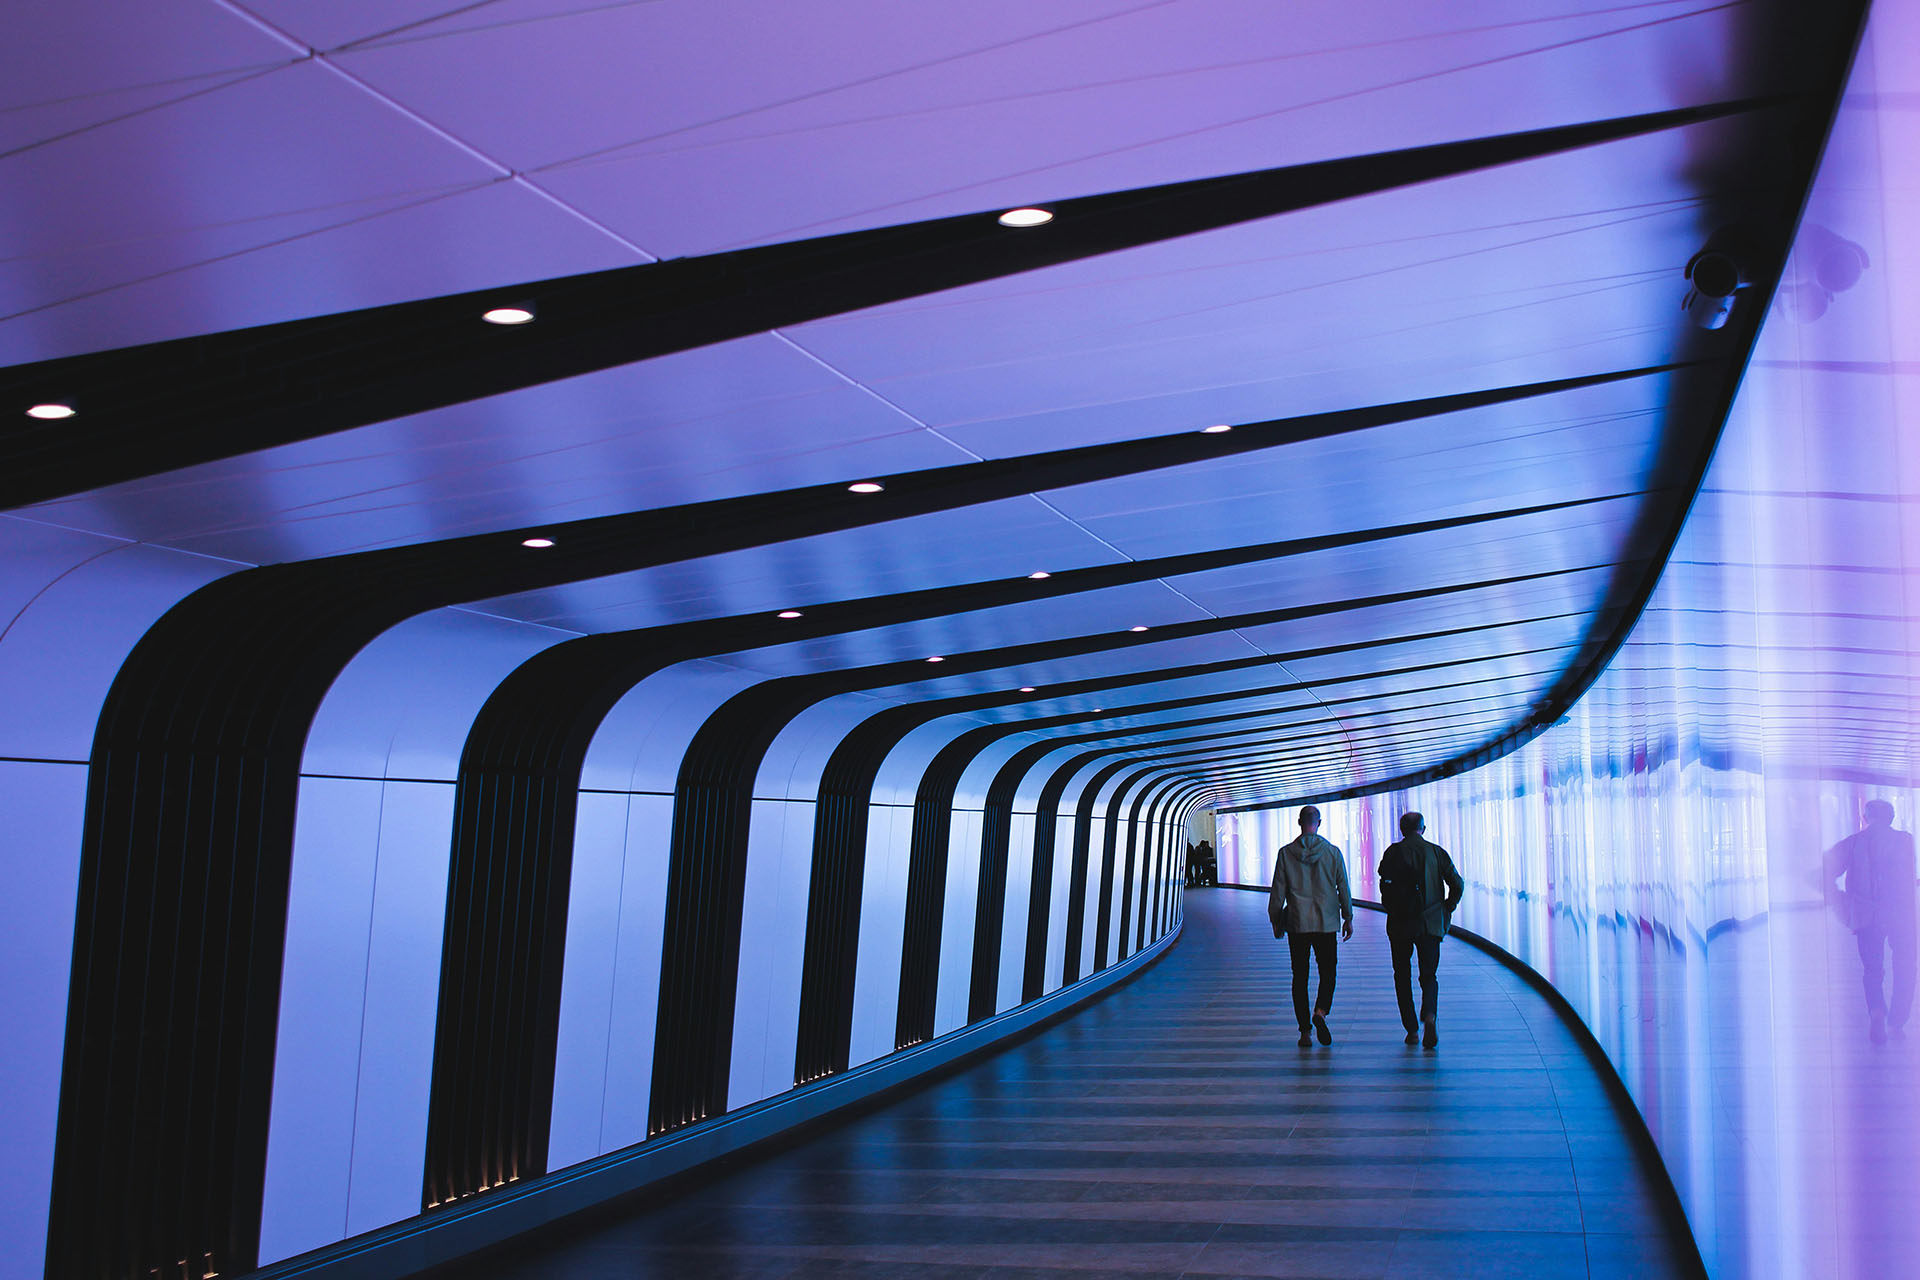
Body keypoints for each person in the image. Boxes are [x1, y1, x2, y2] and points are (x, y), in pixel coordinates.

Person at [1824, 799, 1917, 1044]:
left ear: (1866, 818)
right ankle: (1898, 1018)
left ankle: (1876, 1010)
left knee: (1873, 970)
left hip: (1866, 915)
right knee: (1905, 965)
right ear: (1892, 817)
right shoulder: (1905, 841)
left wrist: (1840, 900)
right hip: (1901, 914)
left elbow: (1824, 869)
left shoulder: (1854, 842)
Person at [1377, 812, 1464, 1048]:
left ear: (1402, 829)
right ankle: (1430, 1016)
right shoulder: (1436, 852)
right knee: (1429, 975)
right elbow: (1457, 884)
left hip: (1399, 924)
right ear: (1423, 829)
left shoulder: (1392, 852)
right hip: (1429, 923)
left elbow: (1383, 882)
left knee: (1402, 976)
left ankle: (1412, 1030)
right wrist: (1447, 907)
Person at [1269, 805, 1353, 1047]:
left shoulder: (1285, 854)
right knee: (1328, 972)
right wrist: (1348, 916)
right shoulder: (1333, 853)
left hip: (1297, 924)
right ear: (1319, 823)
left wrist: (1276, 919)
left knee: (1300, 976)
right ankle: (1321, 1011)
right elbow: (1343, 888)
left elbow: (1278, 891)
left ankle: (1305, 1032)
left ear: (1299, 822)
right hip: (1326, 923)